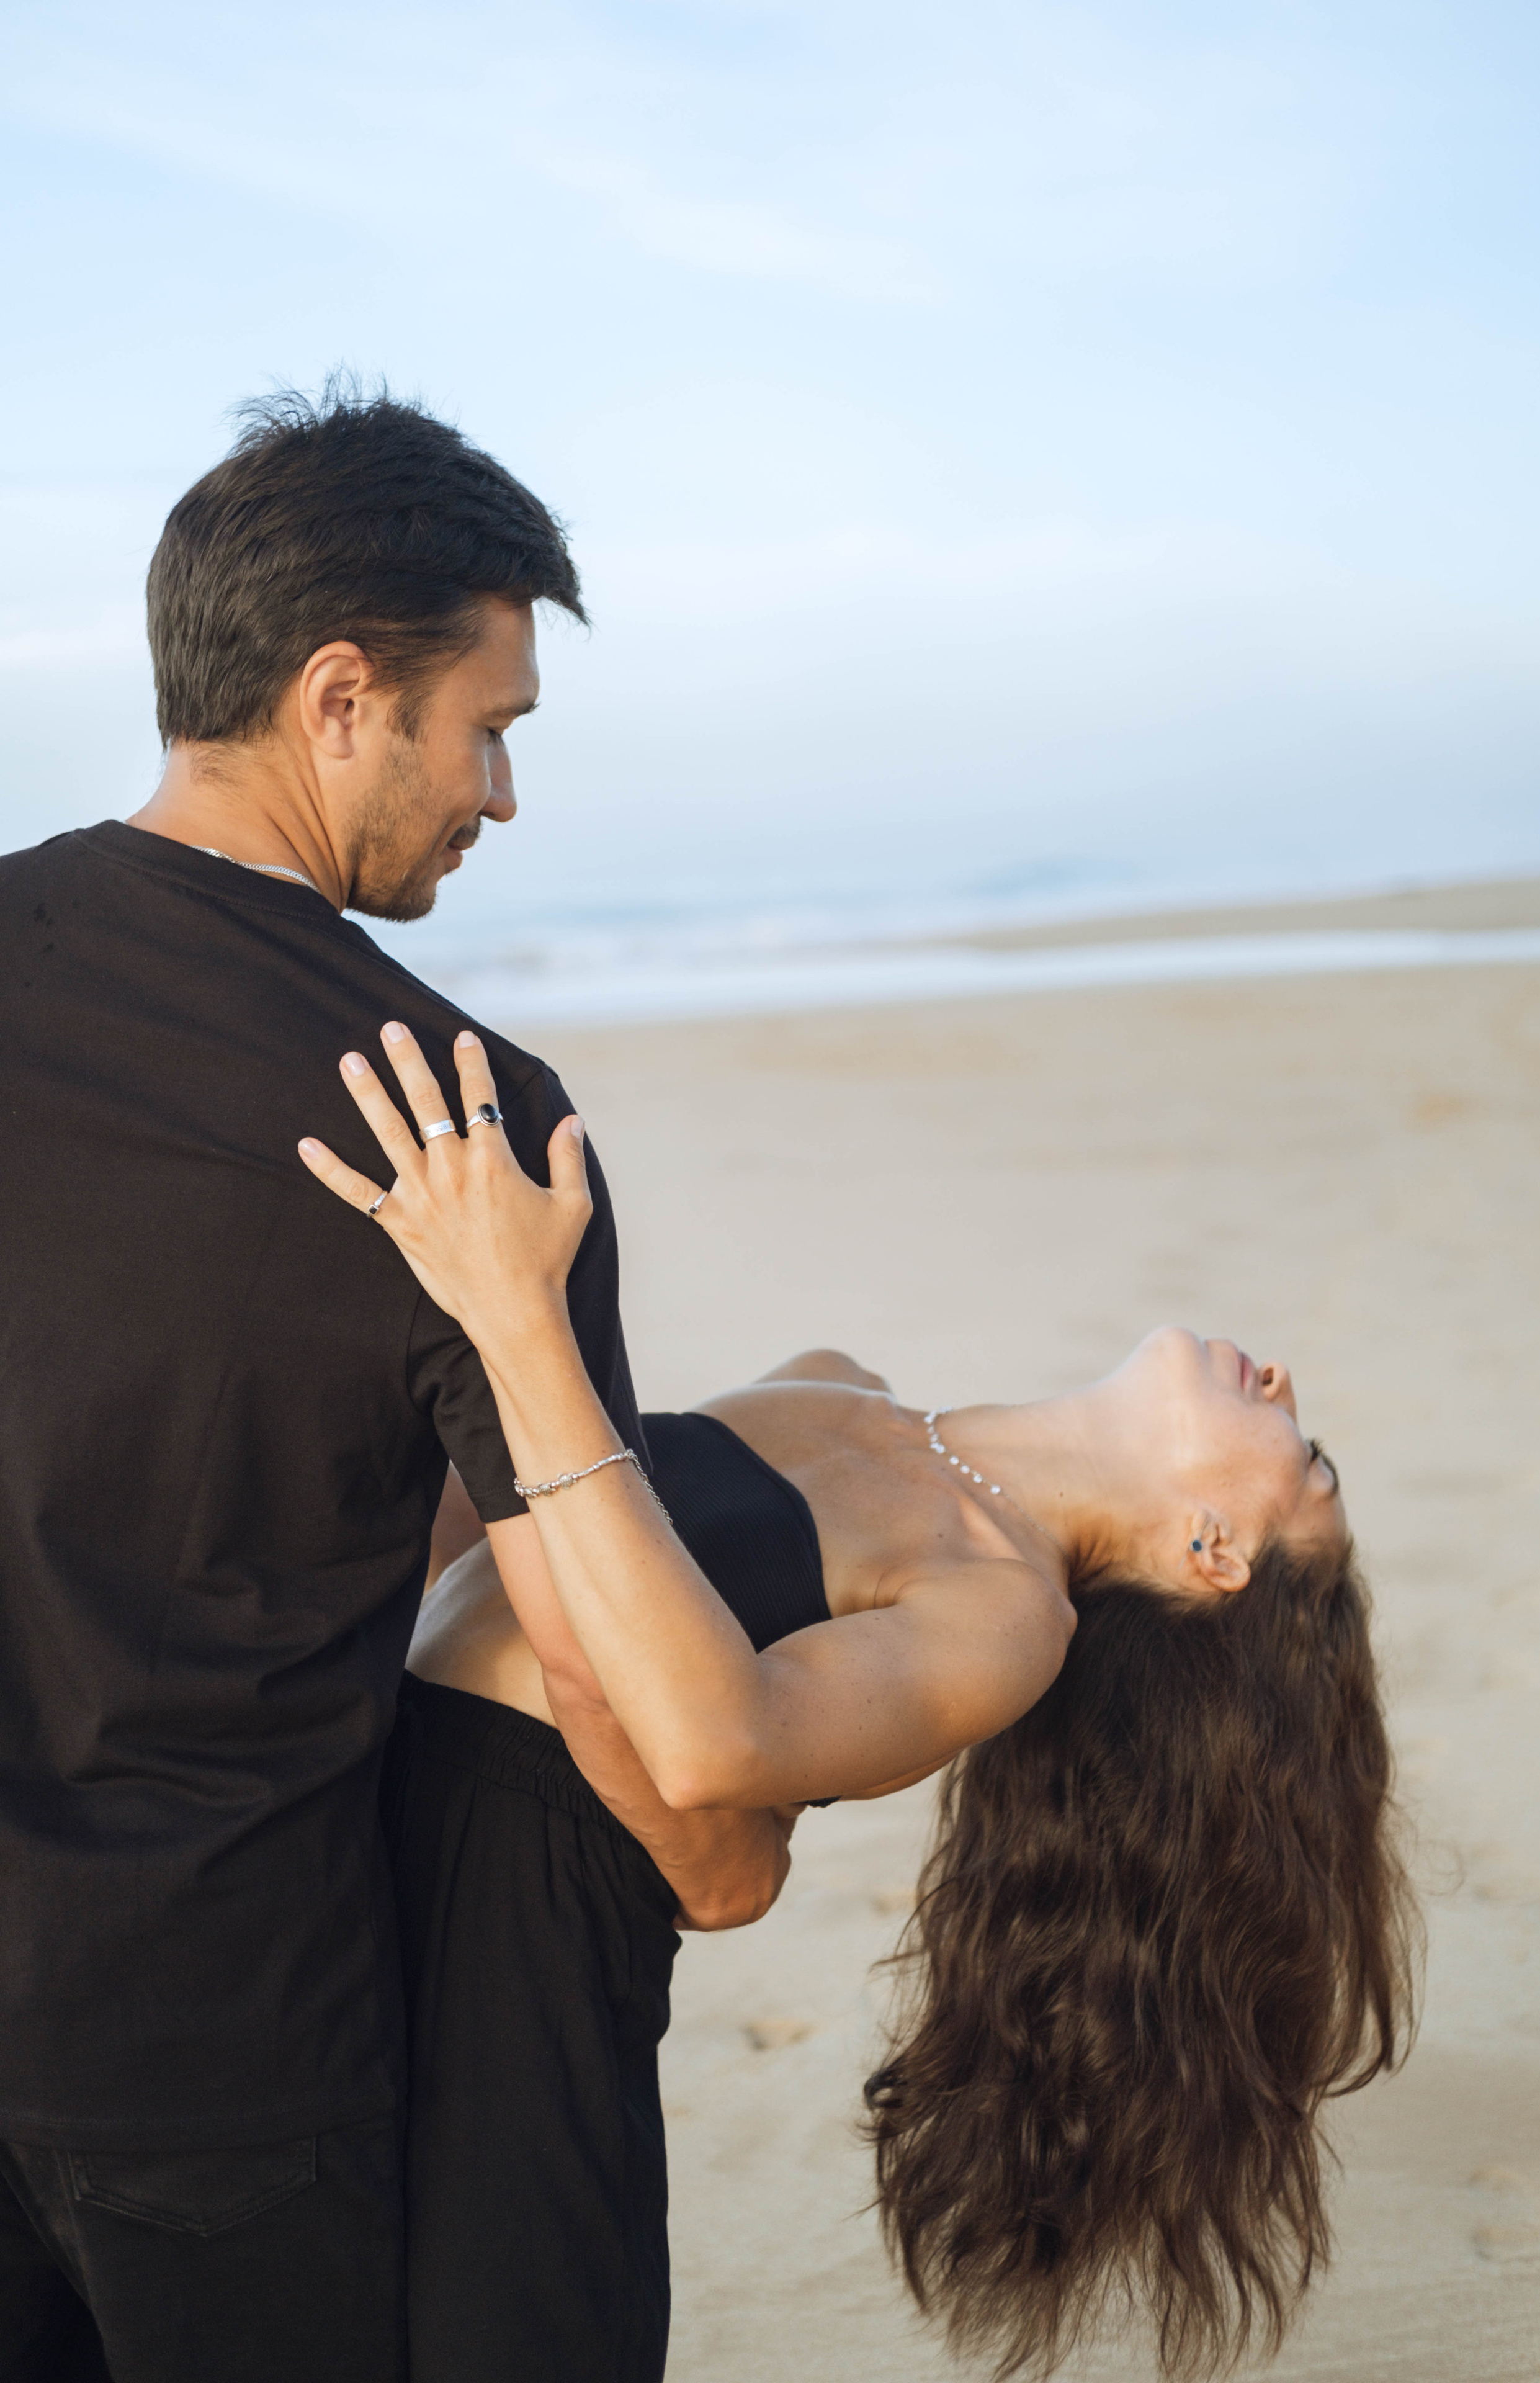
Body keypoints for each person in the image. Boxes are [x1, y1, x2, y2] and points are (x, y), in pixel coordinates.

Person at [0, 385, 786, 2382]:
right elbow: (588, 1643)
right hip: (225, 2046)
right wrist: (723, 1863)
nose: (499, 796)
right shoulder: (463, 1121)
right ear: (341, 696)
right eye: (488, 728)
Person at [302, 1025, 1420, 2383]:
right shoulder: (842, 1384)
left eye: (1309, 1462)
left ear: (1213, 1552)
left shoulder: (1008, 1611)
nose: (1284, 1386)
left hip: (527, 1922)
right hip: (366, 1802)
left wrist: (516, 1313)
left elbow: (714, 1739)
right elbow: (486, 1526)